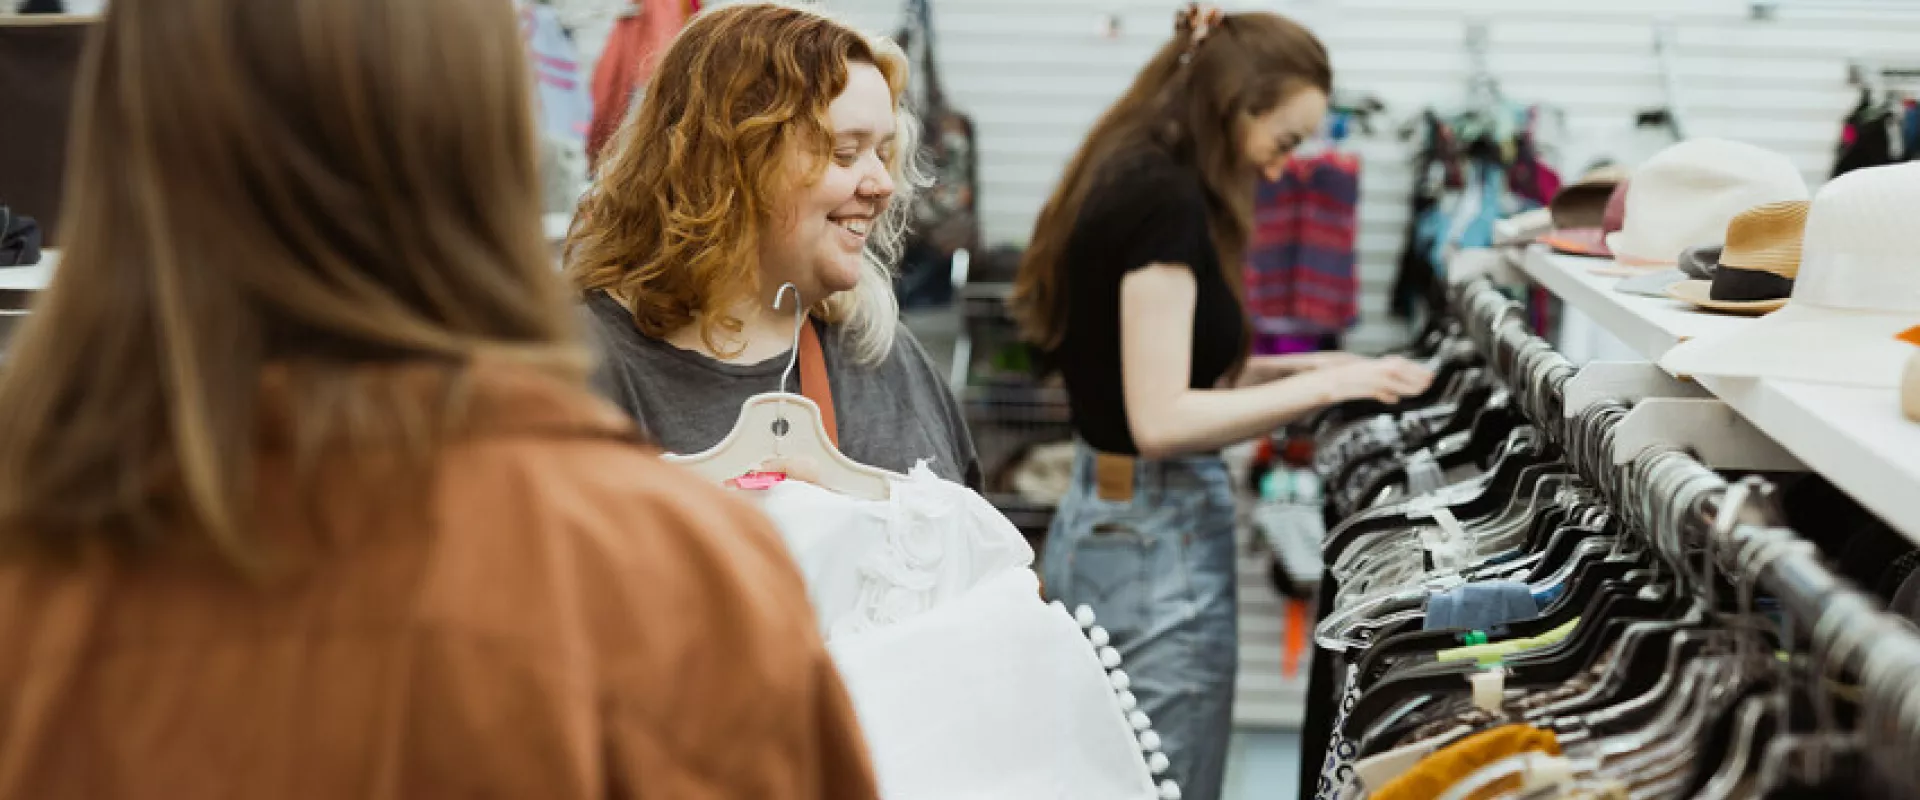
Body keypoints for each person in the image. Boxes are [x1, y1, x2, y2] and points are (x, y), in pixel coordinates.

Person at [0, 1, 876, 797]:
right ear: (486, 142)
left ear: (123, 143)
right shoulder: (673, 581)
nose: (875, 182)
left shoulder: (39, 588)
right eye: (842, 151)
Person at [1011, 7, 1434, 799]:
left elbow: (1181, 378)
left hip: (1119, 525)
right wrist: (1330, 387)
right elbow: (1162, 418)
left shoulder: (1138, 174)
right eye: (1285, 140)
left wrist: (1324, 365)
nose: (1283, 167)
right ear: (1240, 104)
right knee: (1158, 781)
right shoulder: (1164, 201)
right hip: (1149, 539)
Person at [569, 3, 981, 489]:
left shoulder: (883, 357)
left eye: (884, 154)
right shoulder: (585, 365)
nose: (881, 184)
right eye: (844, 153)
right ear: (728, 166)